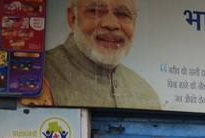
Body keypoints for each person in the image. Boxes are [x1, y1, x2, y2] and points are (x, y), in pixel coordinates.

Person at [28, 0, 161, 109]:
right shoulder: (36, 75)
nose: (111, 24)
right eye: (96, 11)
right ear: (72, 18)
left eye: (122, 14)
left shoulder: (145, 93)